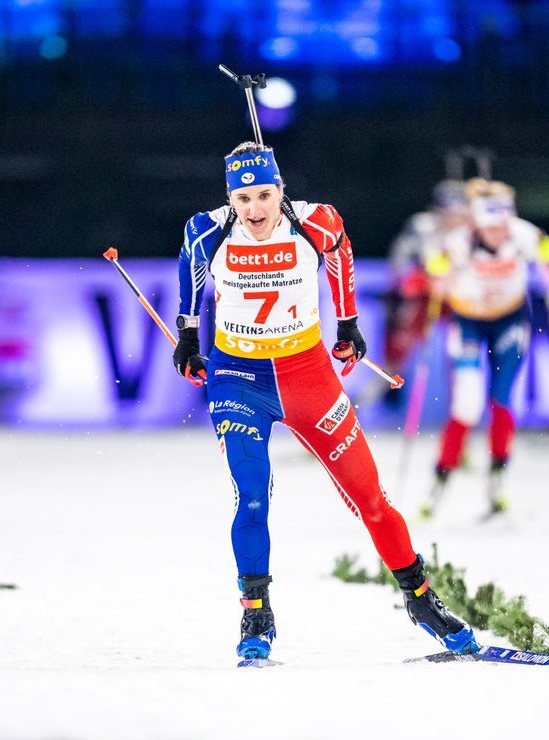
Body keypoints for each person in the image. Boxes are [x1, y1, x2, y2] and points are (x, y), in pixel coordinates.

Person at [172, 141, 478, 661]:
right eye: (242, 198)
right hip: (240, 380)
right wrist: (188, 336)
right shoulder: (206, 230)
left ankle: (422, 601)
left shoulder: (317, 222)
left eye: (265, 195)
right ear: (229, 197)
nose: (255, 210)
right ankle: (256, 613)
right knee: (251, 496)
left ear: (281, 190)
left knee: (371, 499)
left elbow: (341, 254)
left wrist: (349, 322)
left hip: (309, 378)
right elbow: (188, 272)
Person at [422, 178, 549, 518]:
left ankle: (497, 483)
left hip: (510, 322)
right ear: (477, 223)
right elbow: (427, 279)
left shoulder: (525, 235)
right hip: (469, 323)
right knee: (466, 406)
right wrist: (436, 271)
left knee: (502, 400)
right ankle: (438, 485)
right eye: (491, 229)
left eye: (503, 227)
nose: (499, 235)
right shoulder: (458, 242)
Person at [381, 179, 471, 390]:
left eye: (460, 214)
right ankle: (364, 401)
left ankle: (461, 410)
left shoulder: (470, 231)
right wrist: (411, 281)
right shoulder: (422, 226)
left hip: (457, 299)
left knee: (458, 353)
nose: (454, 219)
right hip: (423, 298)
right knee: (397, 353)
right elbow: (399, 260)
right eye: (449, 213)